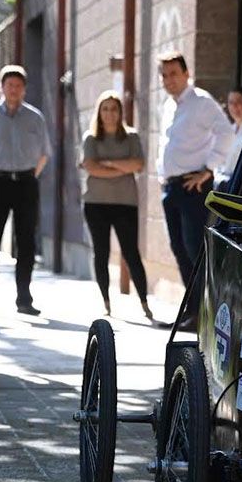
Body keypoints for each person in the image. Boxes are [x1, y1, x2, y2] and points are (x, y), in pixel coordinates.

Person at [155, 51, 234, 330]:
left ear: (186, 74)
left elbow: (226, 132)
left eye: (173, 73)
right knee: (178, 248)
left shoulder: (201, 102)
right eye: (164, 75)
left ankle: (204, 314)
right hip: (172, 187)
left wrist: (209, 169)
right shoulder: (167, 105)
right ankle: (193, 313)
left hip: (194, 187)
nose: (168, 80)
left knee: (193, 249)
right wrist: (161, 175)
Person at [0, 65, 51, 316]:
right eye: (9, 85)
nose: (14, 90)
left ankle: (24, 299)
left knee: (26, 241)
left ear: (24, 89)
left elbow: (44, 154)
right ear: (1, 87)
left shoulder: (35, 117)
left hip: (27, 182)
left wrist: (29, 176)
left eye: (18, 86)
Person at [80, 90, 152, 319]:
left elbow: (138, 165)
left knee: (131, 253)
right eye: (105, 108)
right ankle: (106, 302)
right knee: (100, 253)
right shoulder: (90, 138)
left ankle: (143, 301)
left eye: (114, 108)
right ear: (99, 112)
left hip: (125, 203)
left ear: (120, 112)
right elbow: (91, 167)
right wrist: (121, 167)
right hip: (95, 203)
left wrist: (108, 164)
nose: (109, 113)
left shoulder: (131, 137)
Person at [213, 86, 242, 201]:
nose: (234, 106)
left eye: (238, 102)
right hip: (224, 187)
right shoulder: (228, 130)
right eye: (231, 102)